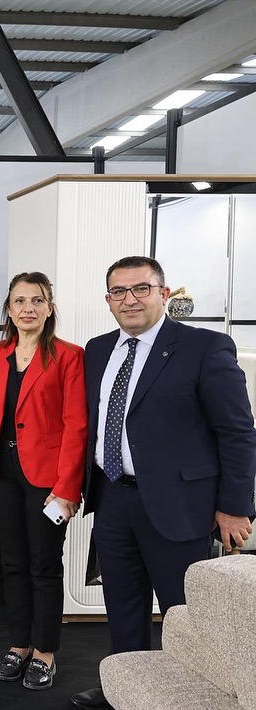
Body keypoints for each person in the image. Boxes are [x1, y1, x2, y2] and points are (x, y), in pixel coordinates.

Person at [71, 256, 256, 710]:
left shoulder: (205, 347)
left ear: (163, 293)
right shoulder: (97, 350)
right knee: (123, 603)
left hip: (180, 503)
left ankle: (195, 696)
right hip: (112, 496)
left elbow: (237, 431)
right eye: (119, 291)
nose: (130, 299)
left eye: (141, 288)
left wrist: (235, 506)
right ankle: (125, 687)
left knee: (186, 612)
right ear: (108, 300)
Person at [0, 272, 87, 691]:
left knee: (44, 565)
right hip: (2, 473)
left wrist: (67, 488)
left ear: (49, 308)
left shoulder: (69, 356)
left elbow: (76, 427)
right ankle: (19, 644)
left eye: (37, 300)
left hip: (47, 479)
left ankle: (45, 652)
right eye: (19, 301)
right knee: (12, 563)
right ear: (9, 308)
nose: (27, 308)